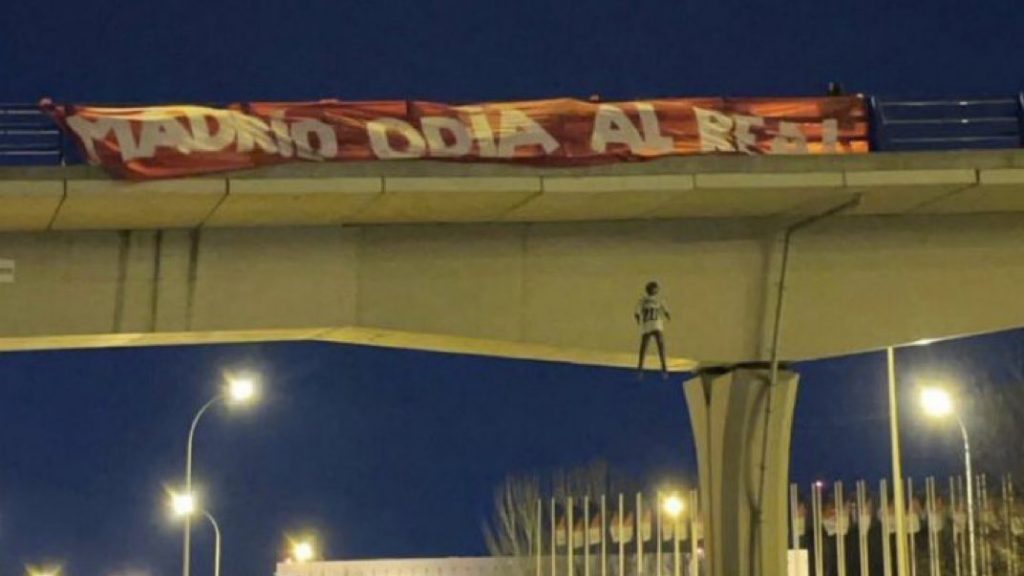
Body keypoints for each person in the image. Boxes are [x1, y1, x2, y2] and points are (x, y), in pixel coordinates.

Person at [635, 281, 671, 379]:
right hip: (648, 325)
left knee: (660, 346)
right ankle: (640, 369)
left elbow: (665, 309)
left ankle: (663, 369)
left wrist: (667, 314)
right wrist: (637, 315)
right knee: (644, 348)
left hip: (656, 325)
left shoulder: (659, 300)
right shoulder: (643, 300)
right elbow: (637, 309)